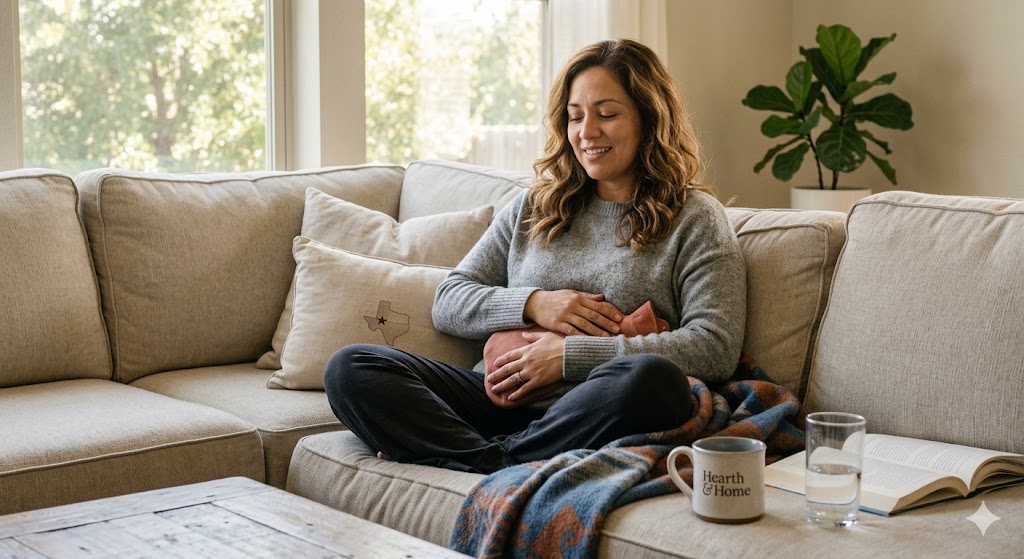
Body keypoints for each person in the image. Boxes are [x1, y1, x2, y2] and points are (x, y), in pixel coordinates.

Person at [324, 39, 746, 474]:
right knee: (350, 368)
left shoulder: (695, 217)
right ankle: (501, 458)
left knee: (654, 380)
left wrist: (566, 357)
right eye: (575, 116)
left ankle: (472, 455)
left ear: (649, 118)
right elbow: (448, 300)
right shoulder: (534, 207)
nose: (587, 132)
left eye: (607, 114)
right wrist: (534, 303)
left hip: (599, 408)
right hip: (499, 401)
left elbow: (715, 347)